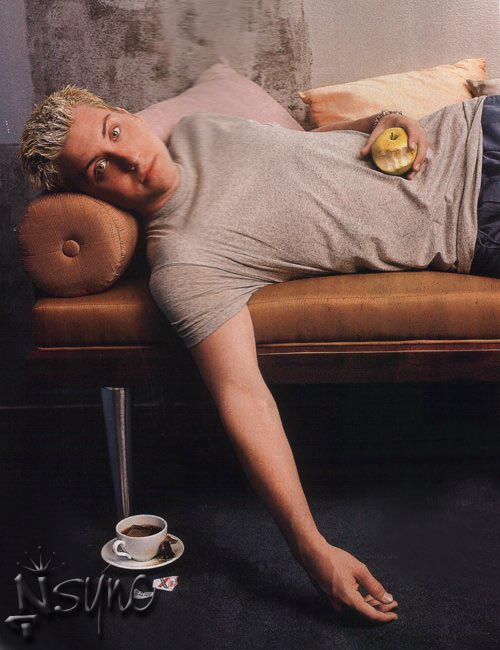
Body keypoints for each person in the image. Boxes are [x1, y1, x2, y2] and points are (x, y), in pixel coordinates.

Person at [19, 84, 490, 624]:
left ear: (128, 115)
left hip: (473, 126)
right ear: (92, 196)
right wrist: (311, 549)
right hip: (475, 217)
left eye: (116, 131)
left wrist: (386, 117)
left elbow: (308, 144)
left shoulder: (198, 128)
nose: (129, 158)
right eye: (101, 169)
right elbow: (244, 397)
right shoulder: (184, 263)